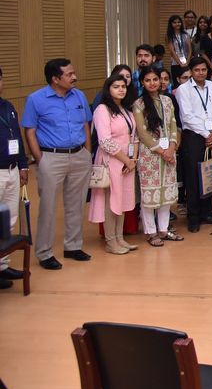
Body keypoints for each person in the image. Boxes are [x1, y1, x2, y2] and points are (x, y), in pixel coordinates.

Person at [22, 59, 93, 269]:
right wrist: (40, 159)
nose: (74, 77)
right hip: (51, 157)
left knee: (76, 204)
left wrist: (87, 152)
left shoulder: (79, 95)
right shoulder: (35, 99)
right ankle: (44, 253)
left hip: (79, 155)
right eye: (69, 74)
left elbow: (85, 124)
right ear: (55, 79)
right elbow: (30, 131)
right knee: (48, 207)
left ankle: (73, 246)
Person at [174, 57, 212, 232]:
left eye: (203, 69)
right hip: (194, 137)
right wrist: (207, 134)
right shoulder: (183, 89)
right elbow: (187, 116)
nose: (201, 73)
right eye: (196, 70)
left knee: (210, 173)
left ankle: (207, 212)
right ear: (191, 71)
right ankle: (193, 217)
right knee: (193, 177)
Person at [89, 74, 139, 255]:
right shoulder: (102, 110)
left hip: (127, 163)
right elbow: (105, 141)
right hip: (111, 160)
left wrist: (132, 160)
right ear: (108, 89)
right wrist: (126, 160)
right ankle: (111, 241)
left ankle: (120, 238)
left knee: (123, 200)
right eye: (116, 86)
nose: (121, 90)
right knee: (112, 201)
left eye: (123, 86)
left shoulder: (125, 109)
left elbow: (134, 137)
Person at [132, 67, 182, 247]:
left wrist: (172, 147)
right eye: (148, 80)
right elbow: (142, 133)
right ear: (142, 83)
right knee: (149, 195)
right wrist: (162, 151)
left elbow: (174, 125)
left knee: (165, 193)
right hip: (150, 155)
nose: (152, 83)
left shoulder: (167, 101)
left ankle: (163, 229)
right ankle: (151, 232)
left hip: (169, 152)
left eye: (155, 79)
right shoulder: (139, 104)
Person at [0, 66, 28, 285]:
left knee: (8, 220)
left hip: (11, 170)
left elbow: (17, 137)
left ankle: (2, 265)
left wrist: (23, 165)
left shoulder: (8, 106)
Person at [166, 15, 193, 82]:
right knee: (177, 82)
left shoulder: (186, 35)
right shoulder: (169, 36)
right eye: (174, 22)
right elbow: (172, 51)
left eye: (179, 22)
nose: (177, 24)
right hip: (175, 63)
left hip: (187, 62)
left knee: (188, 81)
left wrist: (187, 62)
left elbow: (190, 50)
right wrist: (180, 63)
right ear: (171, 24)